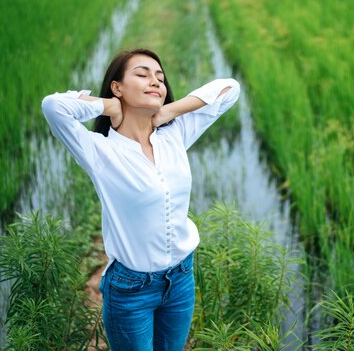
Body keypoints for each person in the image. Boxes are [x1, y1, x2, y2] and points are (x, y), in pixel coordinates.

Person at [41, 48, 240, 350]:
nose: (155, 81)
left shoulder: (174, 135)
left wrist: (171, 111)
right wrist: (109, 106)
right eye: (142, 74)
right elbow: (53, 106)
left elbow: (229, 89)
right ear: (117, 86)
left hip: (181, 279)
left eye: (160, 77)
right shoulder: (101, 152)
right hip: (131, 290)